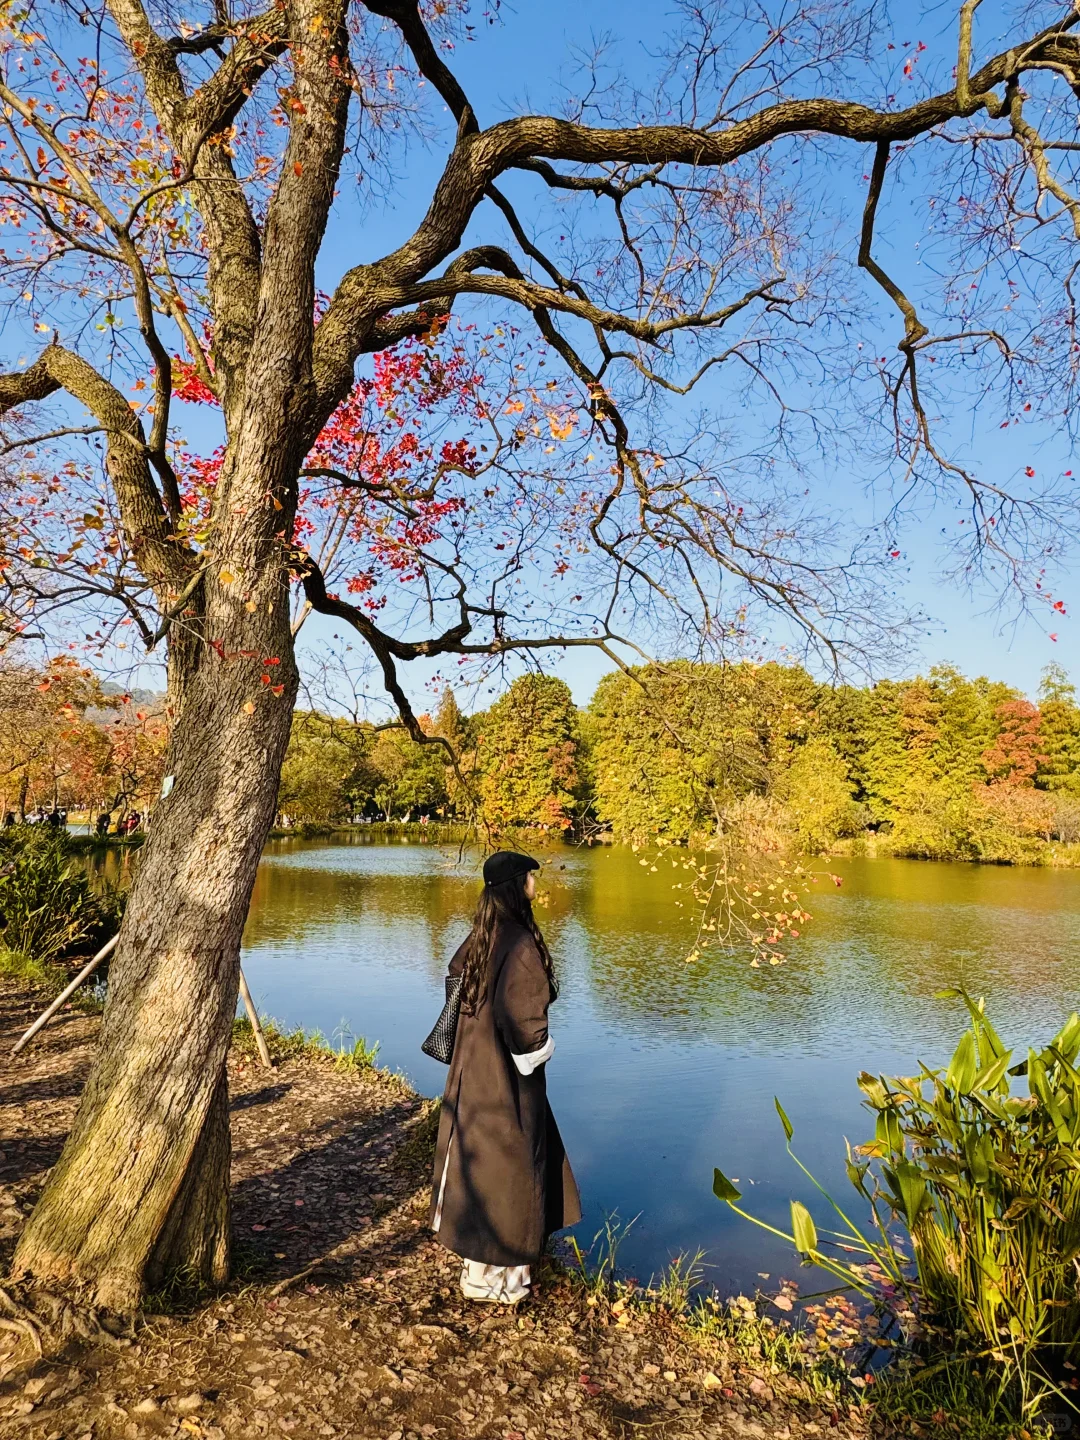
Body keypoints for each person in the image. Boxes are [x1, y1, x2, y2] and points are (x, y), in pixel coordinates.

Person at [430, 850, 580, 1305]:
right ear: (518, 886)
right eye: (531, 878)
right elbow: (526, 1024)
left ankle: (477, 1273)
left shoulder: (483, 934)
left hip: (472, 1068)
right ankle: (507, 1283)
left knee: (481, 1158)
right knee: (514, 1168)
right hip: (508, 1079)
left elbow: (456, 977)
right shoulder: (520, 943)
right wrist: (536, 1052)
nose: (536, 885)